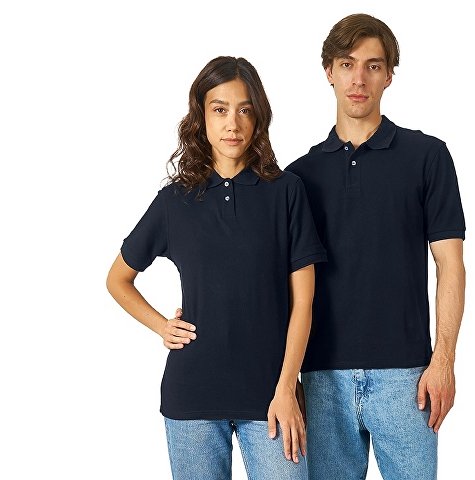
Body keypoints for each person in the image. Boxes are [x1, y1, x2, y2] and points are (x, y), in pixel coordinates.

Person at [106, 56, 327, 480]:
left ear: (258, 117)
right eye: (220, 109)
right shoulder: (175, 201)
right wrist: (161, 326)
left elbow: (304, 304)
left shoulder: (286, 192)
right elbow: (118, 279)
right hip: (193, 397)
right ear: (201, 116)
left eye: (244, 110)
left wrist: (286, 387)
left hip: (271, 396)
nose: (232, 124)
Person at [284, 14, 467, 480]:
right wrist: (286, 380)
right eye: (347, 64)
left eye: (373, 65)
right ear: (329, 71)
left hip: (407, 378)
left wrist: (443, 360)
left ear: (389, 75)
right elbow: (282, 287)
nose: (358, 79)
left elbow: (450, 265)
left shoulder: (427, 157)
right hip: (321, 377)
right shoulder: (298, 177)